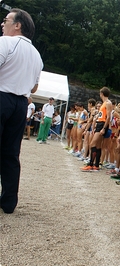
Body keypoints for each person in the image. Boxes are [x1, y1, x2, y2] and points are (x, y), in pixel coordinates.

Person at [0, 8, 43, 214]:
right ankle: (8, 202)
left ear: (18, 25)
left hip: (2, 96)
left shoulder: (5, 42)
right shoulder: (36, 55)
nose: (3, 24)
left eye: (6, 20)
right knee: (10, 154)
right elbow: (34, 88)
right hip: (20, 104)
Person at [81, 87, 112, 172]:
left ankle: (91, 164)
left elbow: (108, 117)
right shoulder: (104, 103)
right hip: (99, 123)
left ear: (102, 93)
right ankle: (96, 165)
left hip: (102, 124)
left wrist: (104, 128)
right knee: (98, 146)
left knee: (92, 144)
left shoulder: (108, 103)